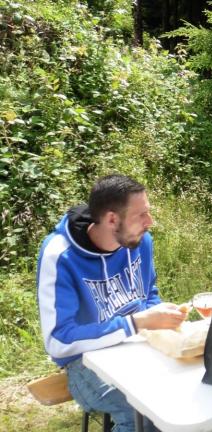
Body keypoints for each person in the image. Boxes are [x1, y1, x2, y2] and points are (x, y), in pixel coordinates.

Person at [37, 174, 188, 432]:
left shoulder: (139, 242)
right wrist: (135, 323)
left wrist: (158, 314)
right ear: (111, 219)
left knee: (189, 392)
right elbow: (58, 341)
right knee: (145, 417)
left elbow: (148, 291)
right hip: (84, 362)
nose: (149, 222)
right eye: (141, 215)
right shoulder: (60, 255)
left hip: (139, 345)